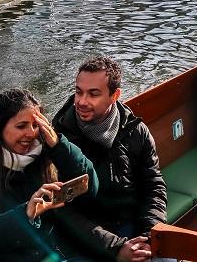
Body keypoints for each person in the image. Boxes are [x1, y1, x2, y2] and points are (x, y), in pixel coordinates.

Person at [0, 88, 99, 262]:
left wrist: (60, 147)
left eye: (36, 125)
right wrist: (24, 216)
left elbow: (91, 189)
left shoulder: (44, 152)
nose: (31, 133)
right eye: (21, 126)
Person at [53, 56, 168, 262]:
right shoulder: (60, 142)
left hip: (133, 227)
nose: (81, 101)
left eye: (93, 94)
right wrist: (115, 248)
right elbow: (63, 211)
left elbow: (153, 185)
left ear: (115, 95)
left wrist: (150, 235)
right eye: (78, 91)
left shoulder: (135, 130)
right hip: (88, 239)